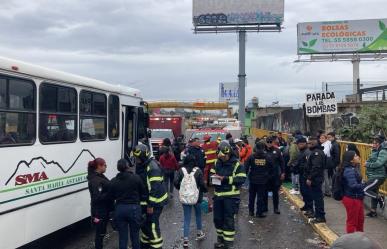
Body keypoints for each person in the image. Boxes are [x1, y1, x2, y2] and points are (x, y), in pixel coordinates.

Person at [210, 141, 246, 249]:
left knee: (228, 220)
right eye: (221, 156)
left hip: (231, 197)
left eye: (224, 156)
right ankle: (220, 240)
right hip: (218, 196)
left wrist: (225, 179)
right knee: (217, 219)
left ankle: (228, 244)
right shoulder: (217, 162)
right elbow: (212, 172)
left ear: (229, 153)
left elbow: (242, 178)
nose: (223, 158)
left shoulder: (237, 164)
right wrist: (213, 177)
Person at [133, 144, 168, 249]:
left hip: (155, 203)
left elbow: (155, 188)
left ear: (143, 156)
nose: (136, 160)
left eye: (137, 158)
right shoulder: (142, 165)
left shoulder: (152, 167)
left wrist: (150, 205)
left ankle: (157, 246)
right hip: (146, 201)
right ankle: (145, 245)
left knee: (152, 225)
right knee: (145, 225)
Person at [109, 159, 146, 249]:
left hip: (120, 209)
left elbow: (111, 197)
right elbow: (143, 193)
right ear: (127, 167)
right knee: (135, 235)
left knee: (122, 237)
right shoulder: (136, 178)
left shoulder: (113, 181)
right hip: (134, 209)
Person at [174, 154, 207, 247]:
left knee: (187, 218)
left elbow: (176, 182)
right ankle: (199, 232)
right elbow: (202, 184)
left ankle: (185, 239)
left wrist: (181, 188)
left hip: (185, 197)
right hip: (197, 198)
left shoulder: (181, 170)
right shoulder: (198, 171)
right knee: (198, 215)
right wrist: (205, 190)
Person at [87, 158, 113, 249]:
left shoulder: (100, 176)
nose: (106, 167)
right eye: (105, 165)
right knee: (100, 234)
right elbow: (97, 197)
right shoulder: (95, 181)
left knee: (101, 233)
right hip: (99, 211)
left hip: (103, 210)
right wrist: (109, 194)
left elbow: (108, 185)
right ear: (99, 166)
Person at [245, 142, 273, 218]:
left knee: (251, 196)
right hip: (263, 180)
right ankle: (259, 212)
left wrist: (245, 176)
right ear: (264, 148)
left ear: (256, 148)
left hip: (253, 179)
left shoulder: (251, 157)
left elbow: (246, 168)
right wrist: (268, 175)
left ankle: (251, 211)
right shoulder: (267, 157)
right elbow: (272, 167)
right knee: (260, 197)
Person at [340, 151, 365, 233]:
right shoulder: (349, 170)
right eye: (355, 156)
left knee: (360, 220)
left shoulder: (354, 167)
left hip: (357, 198)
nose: (358, 157)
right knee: (352, 222)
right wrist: (365, 185)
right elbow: (353, 186)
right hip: (352, 199)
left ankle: (360, 239)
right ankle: (351, 241)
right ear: (351, 160)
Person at [364, 135, 386, 217]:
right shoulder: (375, 150)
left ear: (380, 143)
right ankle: (373, 211)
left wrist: (368, 164)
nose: (373, 144)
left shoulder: (383, 151)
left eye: (375, 143)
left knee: (364, 189)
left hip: (379, 176)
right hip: (373, 175)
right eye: (372, 143)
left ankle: (380, 198)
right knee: (373, 192)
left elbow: (379, 163)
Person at [306, 137, 326, 223]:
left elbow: (316, 167)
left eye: (309, 143)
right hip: (316, 178)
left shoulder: (317, 153)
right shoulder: (315, 152)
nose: (308, 145)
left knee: (318, 198)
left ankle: (320, 216)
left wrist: (310, 178)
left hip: (316, 179)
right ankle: (318, 214)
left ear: (313, 144)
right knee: (316, 197)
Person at [264, 136, 285, 214]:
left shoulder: (277, 151)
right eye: (268, 142)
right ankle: (265, 207)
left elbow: (282, 162)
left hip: (275, 175)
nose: (269, 144)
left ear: (272, 142)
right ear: (266, 142)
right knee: (264, 192)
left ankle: (276, 208)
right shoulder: (262, 151)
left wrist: (283, 172)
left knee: (275, 193)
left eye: (270, 142)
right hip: (265, 175)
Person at [294, 137, 313, 215]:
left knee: (307, 192)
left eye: (299, 144)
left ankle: (310, 208)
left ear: (304, 143)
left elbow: (308, 165)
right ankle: (306, 205)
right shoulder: (301, 151)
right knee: (303, 191)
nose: (298, 146)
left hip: (306, 175)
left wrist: (300, 166)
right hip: (302, 174)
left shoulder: (307, 152)